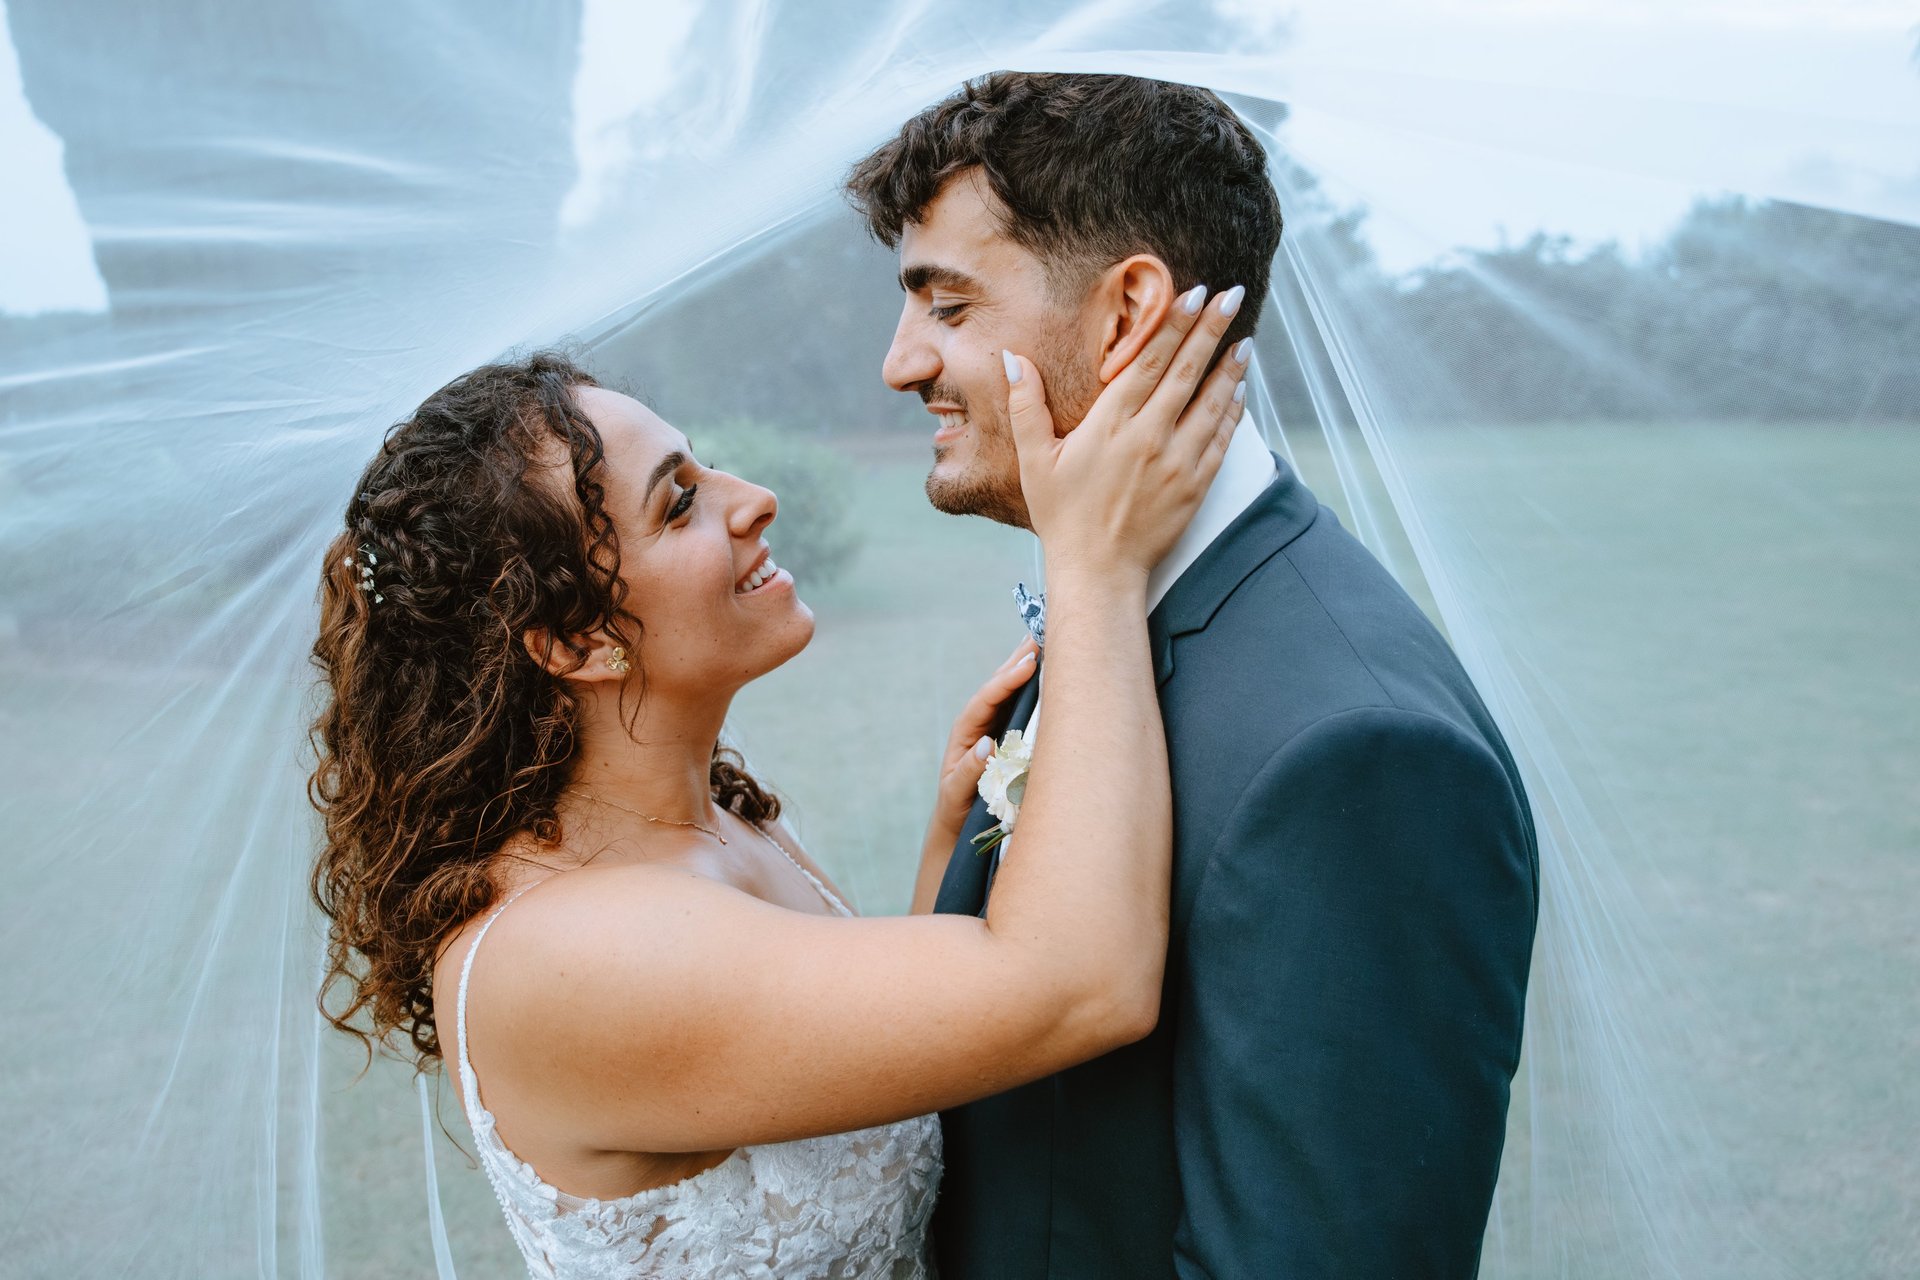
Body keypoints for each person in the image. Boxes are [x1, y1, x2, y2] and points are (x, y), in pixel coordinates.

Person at [308, 287, 1248, 1276]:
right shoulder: (570, 956)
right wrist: (1095, 562)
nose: (753, 496)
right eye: (680, 501)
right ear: (577, 640)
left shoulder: (712, 822)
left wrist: (945, 838)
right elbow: (1082, 988)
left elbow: (876, 1063)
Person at [846, 71, 1541, 1277]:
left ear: (1127, 313)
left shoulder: (1355, 750)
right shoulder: (1100, 597)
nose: (901, 363)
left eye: (947, 305)